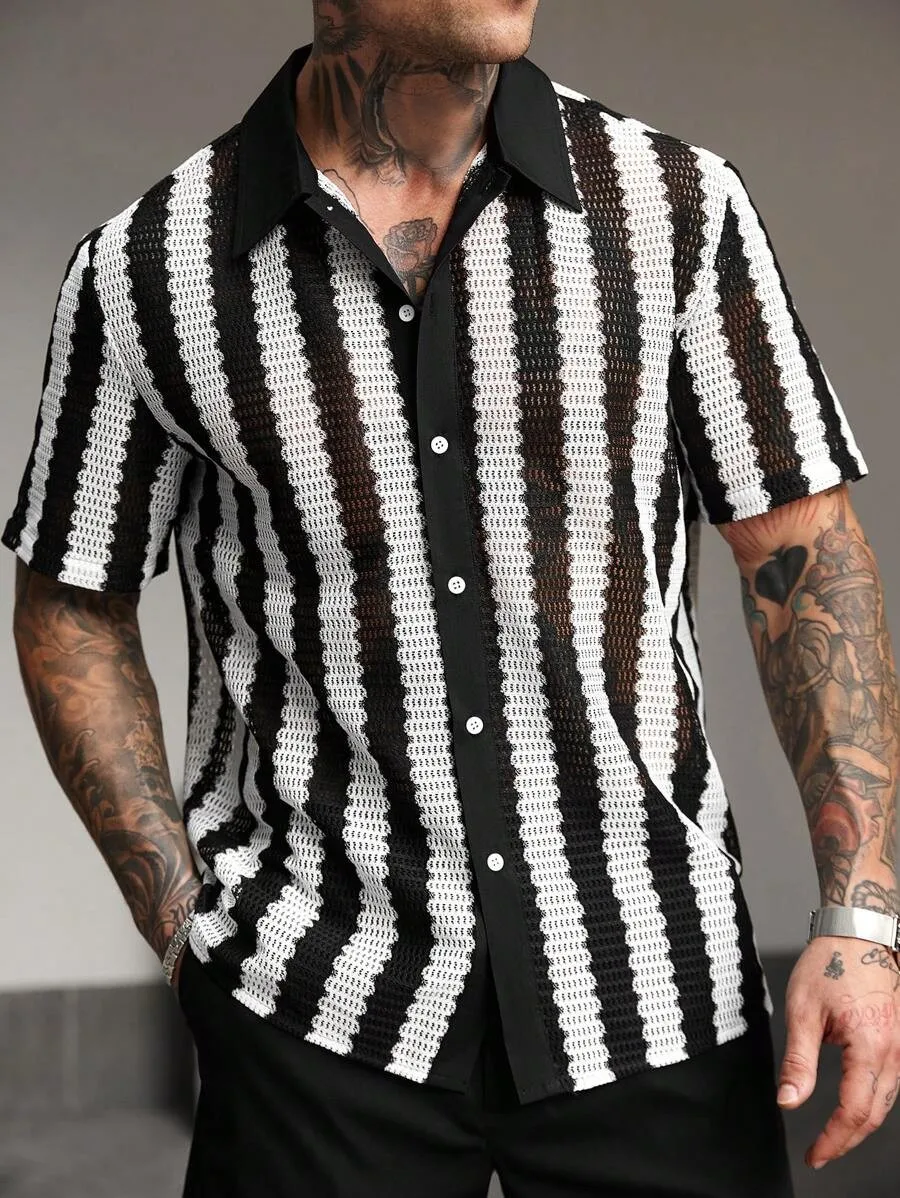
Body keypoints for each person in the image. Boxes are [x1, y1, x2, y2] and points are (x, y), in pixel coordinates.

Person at [5, 1, 899, 1194]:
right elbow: (73, 599)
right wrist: (178, 918)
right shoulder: (146, 270)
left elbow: (804, 554)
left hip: (651, 989)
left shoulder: (677, 206)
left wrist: (861, 916)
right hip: (313, 1019)